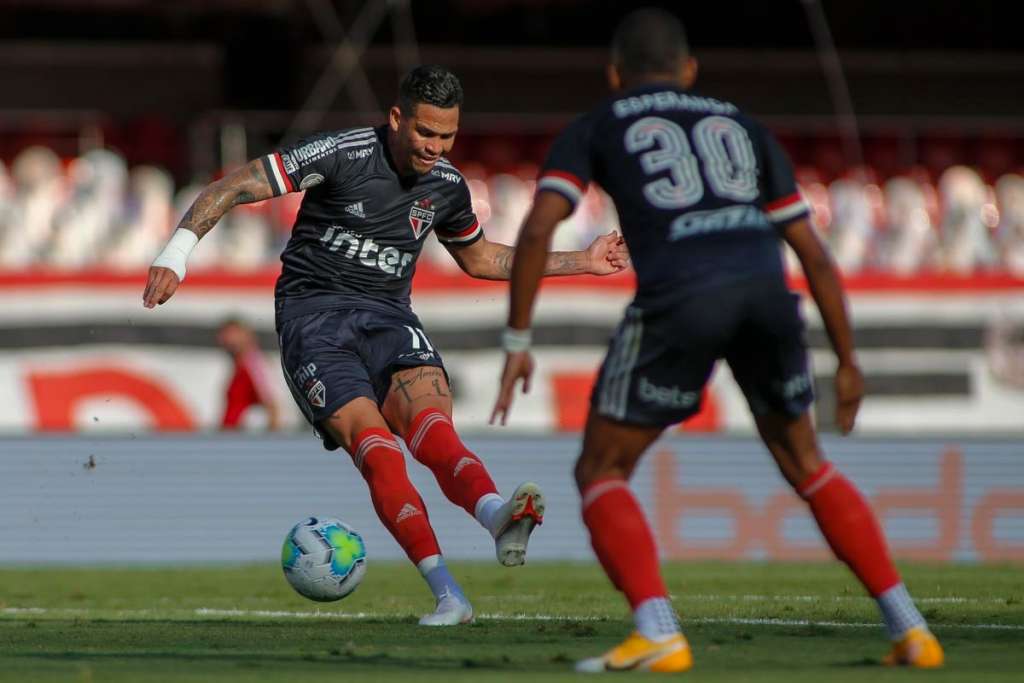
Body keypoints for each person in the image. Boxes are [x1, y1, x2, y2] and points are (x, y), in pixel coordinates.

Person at [492, 8, 944, 673]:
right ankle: (911, 628)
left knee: (601, 470)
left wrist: (517, 340)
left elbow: (536, 230)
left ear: (614, 74)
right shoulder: (744, 124)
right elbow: (813, 252)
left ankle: (658, 632)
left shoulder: (598, 122)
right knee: (808, 465)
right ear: (689, 70)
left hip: (682, 295)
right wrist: (848, 361)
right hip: (766, 291)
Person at [143, 65, 629, 626]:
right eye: (426, 132)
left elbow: (481, 258)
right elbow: (233, 186)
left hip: (390, 317)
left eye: (447, 136)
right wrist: (175, 255)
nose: (435, 147)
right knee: (378, 450)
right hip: (313, 320)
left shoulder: (446, 187)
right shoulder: (342, 154)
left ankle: (498, 516)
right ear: (397, 118)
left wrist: (583, 261)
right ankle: (449, 595)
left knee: (434, 429)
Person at [216, 316, 281, 431]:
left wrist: (270, 439)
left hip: (244, 440)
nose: (229, 339)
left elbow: (274, 407)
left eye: (233, 333)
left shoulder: (255, 364)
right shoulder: (240, 367)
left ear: (247, 336)